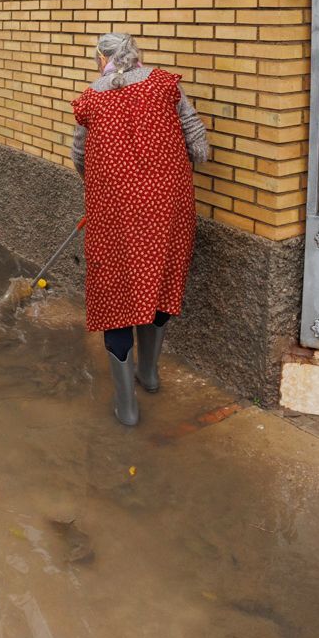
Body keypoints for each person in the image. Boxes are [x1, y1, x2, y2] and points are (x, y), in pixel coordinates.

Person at [71, 32, 209, 426]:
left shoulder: (92, 98)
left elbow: (79, 156)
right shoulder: (165, 84)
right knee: (159, 281)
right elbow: (198, 143)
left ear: (103, 58)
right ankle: (148, 373)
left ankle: (127, 407)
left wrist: (107, 180)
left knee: (115, 295)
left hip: (113, 213)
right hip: (169, 208)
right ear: (135, 55)